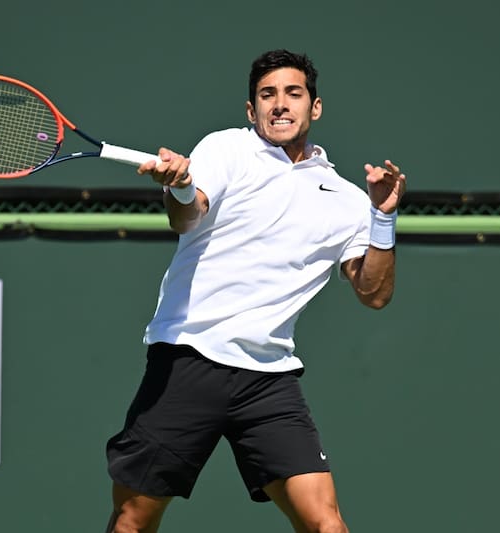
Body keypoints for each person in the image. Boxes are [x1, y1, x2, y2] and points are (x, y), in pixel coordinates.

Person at [105, 49, 407, 533]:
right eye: (268, 95)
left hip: (268, 379)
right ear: (252, 110)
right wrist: (180, 187)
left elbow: (373, 293)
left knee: (326, 525)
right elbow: (188, 216)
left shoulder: (350, 201)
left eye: (293, 93)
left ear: (316, 107)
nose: (280, 104)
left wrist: (383, 218)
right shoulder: (227, 149)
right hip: (188, 358)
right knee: (133, 520)